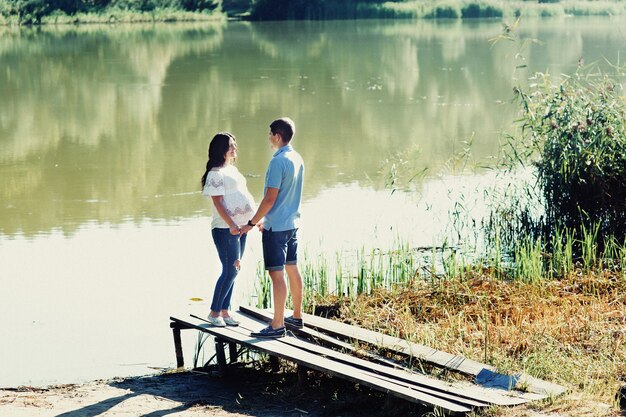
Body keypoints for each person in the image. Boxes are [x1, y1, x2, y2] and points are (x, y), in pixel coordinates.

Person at [240, 117, 305, 338]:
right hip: (292, 224)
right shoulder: (297, 158)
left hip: (276, 228)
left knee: (277, 275)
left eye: (270, 134)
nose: (268, 138)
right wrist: (264, 220)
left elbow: (270, 198)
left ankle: (277, 325)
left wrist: (251, 223)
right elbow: (286, 197)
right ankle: (296, 316)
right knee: (292, 268)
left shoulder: (277, 162)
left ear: (277, 136)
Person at [201, 132, 256, 327]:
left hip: (241, 228)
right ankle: (214, 312)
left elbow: (244, 194)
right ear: (220, 149)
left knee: (235, 268)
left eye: (234, 144)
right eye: (230, 146)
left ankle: (225, 311)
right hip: (226, 229)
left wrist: (255, 220)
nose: (234, 148)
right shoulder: (215, 174)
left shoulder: (232, 169)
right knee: (230, 270)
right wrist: (232, 224)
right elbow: (218, 203)